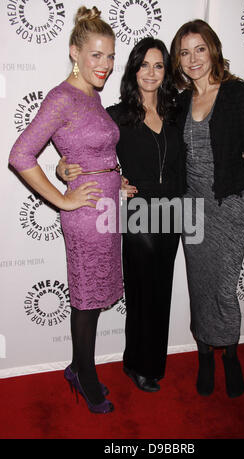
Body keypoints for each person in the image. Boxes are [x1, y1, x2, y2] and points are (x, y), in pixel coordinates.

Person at [9, 6, 122, 414]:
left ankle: (79, 365)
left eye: (110, 56)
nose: (105, 65)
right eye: (96, 55)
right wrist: (62, 197)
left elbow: (95, 150)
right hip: (85, 216)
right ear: (74, 52)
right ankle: (84, 374)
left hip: (108, 209)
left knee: (95, 294)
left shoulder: (92, 95)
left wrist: (115, 177)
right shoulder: (62, 97)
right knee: (86, 296)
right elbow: (20, 155)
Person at [57, 37, 185, 392]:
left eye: (158, 65)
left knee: (162, 291)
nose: (151, 72)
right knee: (142, 293)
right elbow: (82, 146)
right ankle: (136, 364)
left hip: (174, 212)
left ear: (166, 71)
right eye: (144, 64)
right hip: (136, 214)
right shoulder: (115, 116)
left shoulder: (177, 112)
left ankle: (153, 363)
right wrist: (62, 167)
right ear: (133, 69)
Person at [170, 20, 244, 398]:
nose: (193, 58)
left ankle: (229, 353)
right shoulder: (179, 100)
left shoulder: (237, 93)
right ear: (177, 60)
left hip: (231, 204)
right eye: (184, 52)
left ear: (212, 49)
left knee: (225, 289)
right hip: (191, 208)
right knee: (200, 287)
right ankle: (204, 355)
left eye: (200, 49)